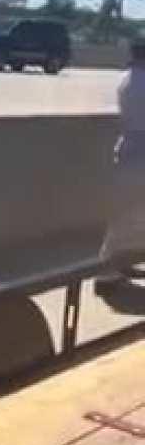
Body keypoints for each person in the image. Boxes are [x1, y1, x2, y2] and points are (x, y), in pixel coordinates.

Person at [95, 37, 145, 296]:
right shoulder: (139, 82)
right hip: (139, 157)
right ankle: (105, 275)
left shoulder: (130, 79)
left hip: (131, 153)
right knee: (125, 219)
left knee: (129, 217)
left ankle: (120, 264)